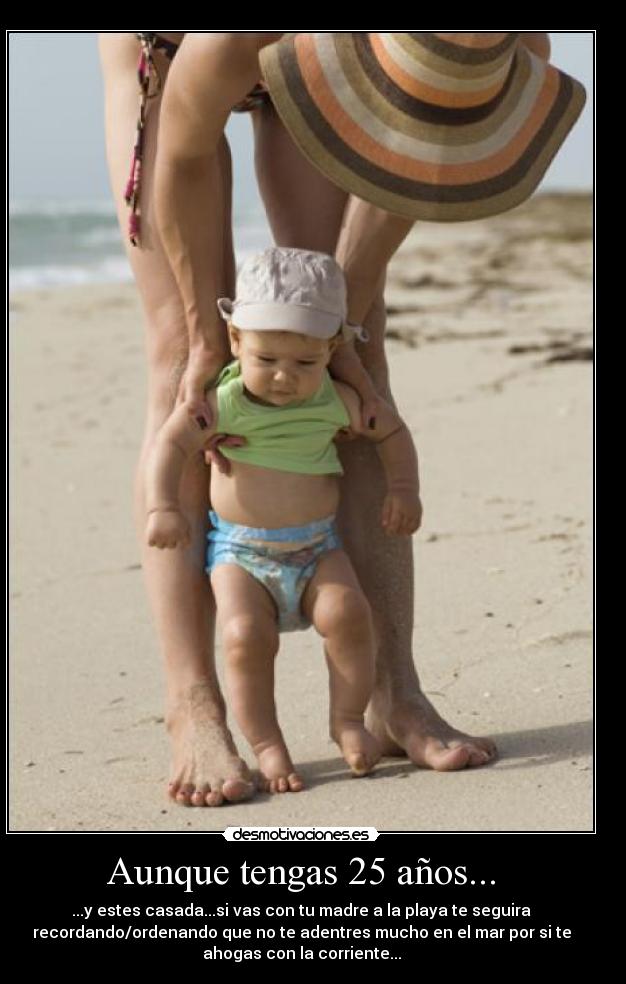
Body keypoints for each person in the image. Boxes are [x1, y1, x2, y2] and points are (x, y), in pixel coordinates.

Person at [99, 32, 585, 807]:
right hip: (172, 52)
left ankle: (396, 693)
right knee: (184, 373)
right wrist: (201, 339)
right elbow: (184, 152)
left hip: (347, 52)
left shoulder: (508, 41)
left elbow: (410, 155)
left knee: (356, 361)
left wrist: (343, 331)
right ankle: (193, 705)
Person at [145, 248, 422, 793]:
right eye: (267, 359)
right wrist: (163, 505)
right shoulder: (222, 402)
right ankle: (267, 744)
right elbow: (172, 443)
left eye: (305, 364)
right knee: (244, 636)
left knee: (349, 614)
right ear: (236, 342)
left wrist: (404, 487)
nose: (282, 378)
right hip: (241, 555)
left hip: (319, 548)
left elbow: (390, 432)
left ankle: (347, 720)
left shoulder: (335, 399)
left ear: (332, 351)